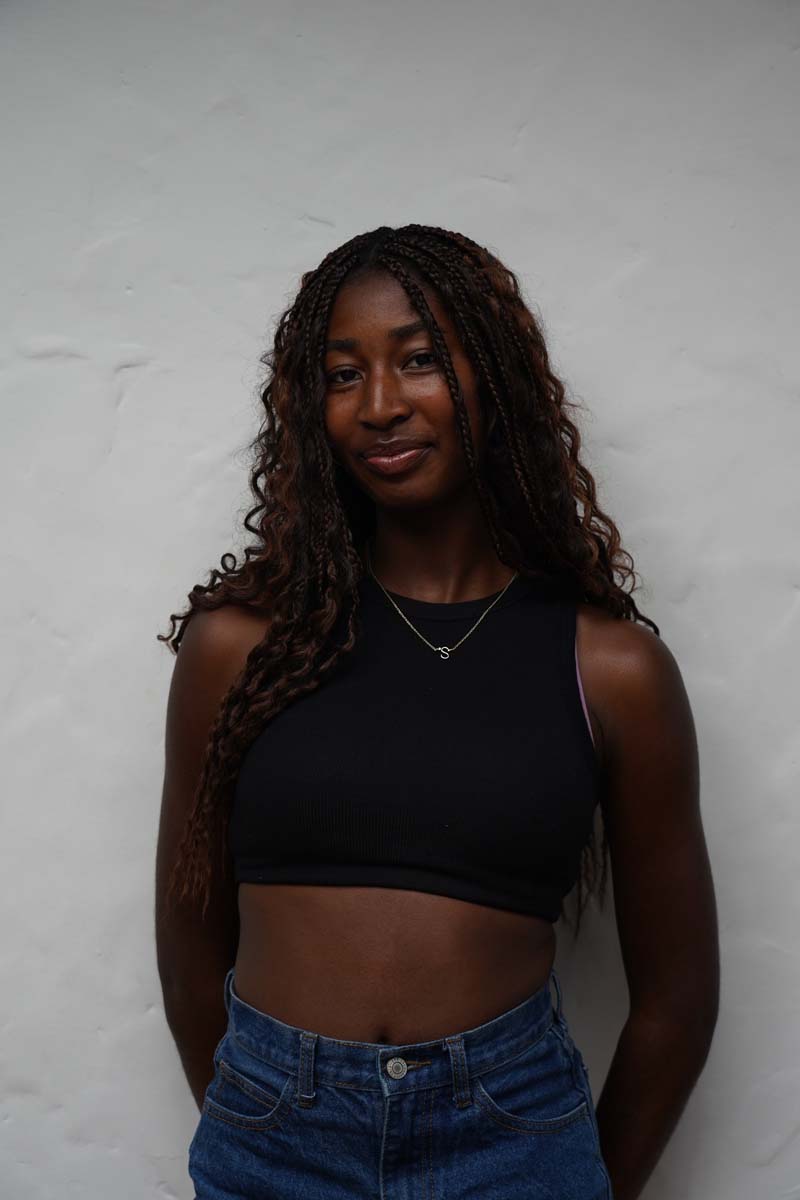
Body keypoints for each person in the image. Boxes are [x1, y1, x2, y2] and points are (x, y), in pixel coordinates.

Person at [155, 224, 719, 1200]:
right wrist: (267, 1108)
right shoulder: (238, 647)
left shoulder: (611, 669)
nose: (378, 405)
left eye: (417, 359)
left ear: (491, 379)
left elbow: (675, 999)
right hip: (271, 1133)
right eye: (341, 374)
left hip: (511, 1139)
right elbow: (188, 939)